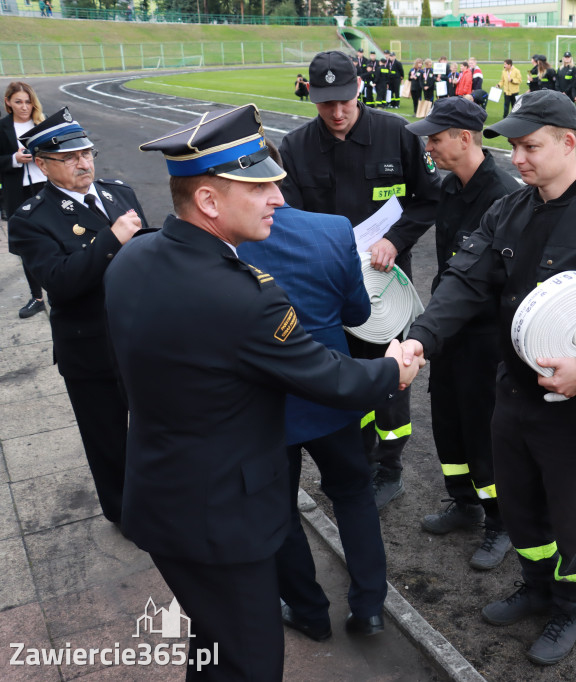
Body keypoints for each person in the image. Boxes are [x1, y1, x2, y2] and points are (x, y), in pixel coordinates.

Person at [107, 103, 419, 680]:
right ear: (209, 202)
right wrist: (394, 369)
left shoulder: (133, 257)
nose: (278, 198)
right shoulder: (245, 297)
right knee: (251, 663)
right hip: (221, 517)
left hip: (159, 498)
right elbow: (334, 379)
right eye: (259, 187)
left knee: (211, 645)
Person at [400, 89, 576, 665]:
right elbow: (466, 281)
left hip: (573, 401)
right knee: (521, 502)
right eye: (515, 147)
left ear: (568, 143)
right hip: (513, 391)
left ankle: (570, 605)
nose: (518, 158)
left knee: (574, 511)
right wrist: (421, 338)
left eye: (530, 146)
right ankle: (534, 584)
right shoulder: (508, 211)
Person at [233, 139, 391, 643]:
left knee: (277, 510)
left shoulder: (224, 243)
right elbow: (359, 316)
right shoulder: (331, 230)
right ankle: (369, 607)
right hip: (329, 392)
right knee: (353, 494)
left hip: (261, 406)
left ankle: (308, 609)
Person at [279, 51, 442, 508]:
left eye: (345, 101)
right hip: (326, 290)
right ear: (311, 97)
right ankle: (356, 460)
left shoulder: (398, 135)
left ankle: (389, 468)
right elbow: (286, 218)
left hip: (385, 286)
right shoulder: (295, 148)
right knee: (339, 378)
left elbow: (428, 200)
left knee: (389, 376)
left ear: (359, 90)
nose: (337, 112)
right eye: (326, 103)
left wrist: (396, 238)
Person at [8, 107, 148, 528]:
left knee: (154, 429)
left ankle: (163, 501)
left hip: (141, 337)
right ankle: (127, 516)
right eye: (69, 157)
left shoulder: (117, 192)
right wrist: (111, 238)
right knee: (108, 441)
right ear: (43, 164)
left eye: (87, 152)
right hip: (91, 348)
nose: (83, 163)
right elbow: (60, 281)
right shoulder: (30, 219)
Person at [404, 97, 521, 570]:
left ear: (465, 138)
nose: (428, 146)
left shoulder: (503, 196)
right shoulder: (450, 186)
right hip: (449, 329)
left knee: (482, 429)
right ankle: (464, 501)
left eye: (435, 137)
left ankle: (501, 521)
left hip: (484, 337)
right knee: (447, 420)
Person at [1, 81, 47, 318]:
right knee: (27, 245)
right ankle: (37, 297)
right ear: (8, 102)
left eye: (28, 101)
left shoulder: (42, 124)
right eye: (18, 101)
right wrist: (15, 158)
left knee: (56, 237)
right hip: (18, 192)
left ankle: (65, 287)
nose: (24, 106)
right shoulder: (2, 127)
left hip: (46, 187)